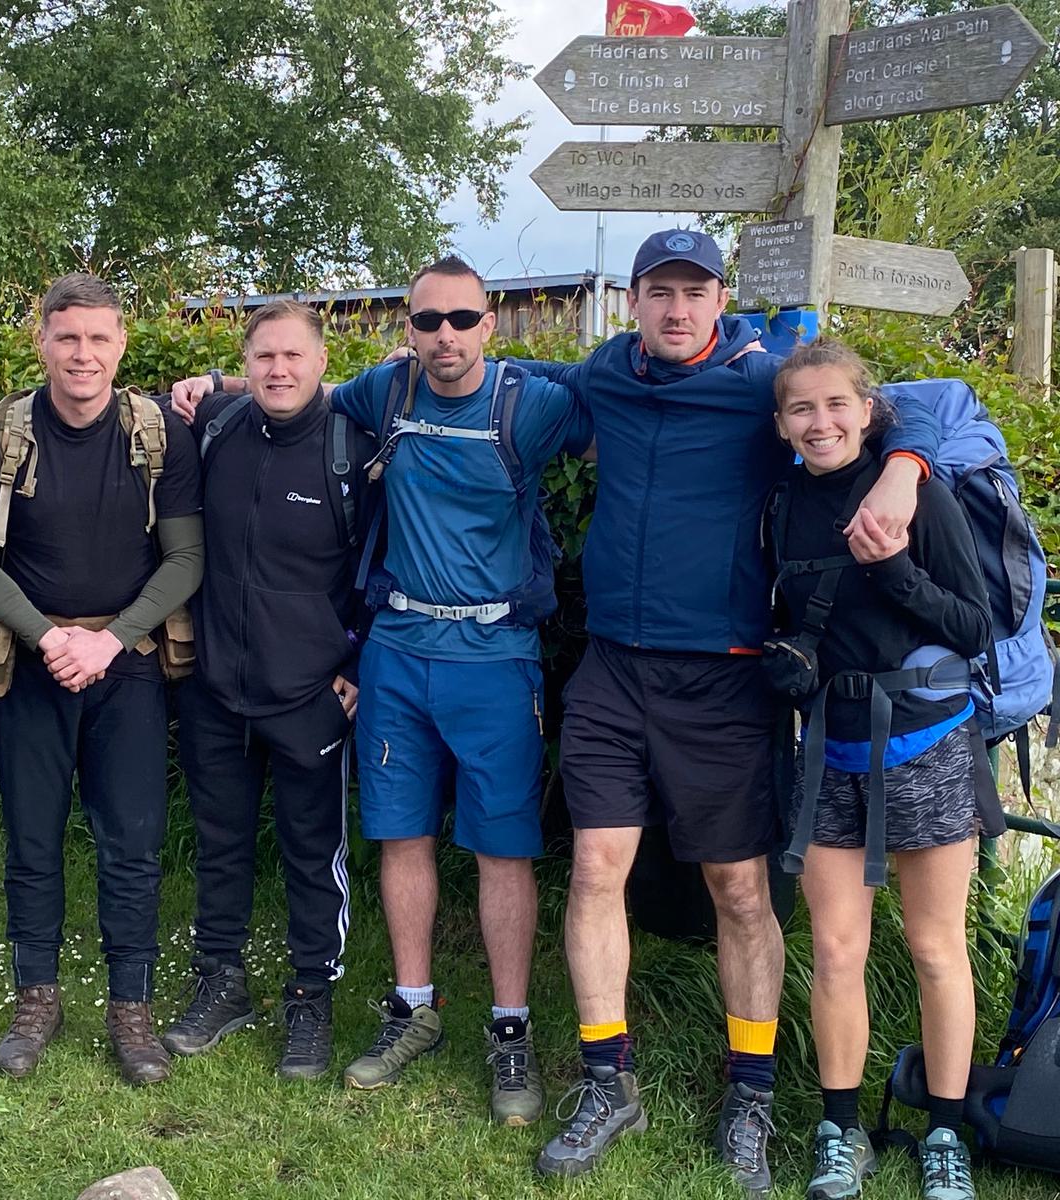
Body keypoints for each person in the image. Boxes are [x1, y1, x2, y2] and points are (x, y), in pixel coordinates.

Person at [507, 230, 941, 1194]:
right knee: (595, 867)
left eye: (693, 293)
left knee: (741, 892)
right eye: (658, 292)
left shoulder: (764, 383)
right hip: (614, 668)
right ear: (632, 302)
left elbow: (934, 407)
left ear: (719, 298)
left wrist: (904, 471)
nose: (675, 310)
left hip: (726, 676)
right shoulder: (603, 376)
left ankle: (749, 1089)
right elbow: (490, 372)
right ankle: (606, 1078)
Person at [174, 256, 591, 1125]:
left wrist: (750, 349)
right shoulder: (383, 393)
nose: (446, 336)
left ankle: (509, 1033)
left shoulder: (531, 403)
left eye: (464, 320)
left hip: (494, 651)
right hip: (397, 648)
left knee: (502, 848)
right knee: (400, 836)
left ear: (488, 322)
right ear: (406, 326)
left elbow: (628, 395)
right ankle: (412, 1010)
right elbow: (291, 384)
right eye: (428, 320)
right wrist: (212, 378)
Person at [0, 273, 203, 1086]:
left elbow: (187, 557)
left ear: (121, 345)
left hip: (126, 668)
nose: (82, 354)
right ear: (43, 343)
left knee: (132, 845)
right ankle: (37, 1000)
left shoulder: (158, 433)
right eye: (68, 338)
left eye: (98, 339)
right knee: (32, 840)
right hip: (30, 664)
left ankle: (131, 1009)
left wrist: (114, 639)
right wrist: (50, 635)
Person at [768, 340, 992, 1200]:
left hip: (927, 742)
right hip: (830, 746)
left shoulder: (918, 495)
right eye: (801, 410)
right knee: (833, 949)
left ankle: (946, 1134)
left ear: (869, 411)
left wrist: (893, 569)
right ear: (782, 424)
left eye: (835, 406)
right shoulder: (781, 503)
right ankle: (841, 1128)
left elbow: (974, 628)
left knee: (936, 949)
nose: (820, 423)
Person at [160, 300, 374, 1079]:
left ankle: (311, 999)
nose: (278, 371)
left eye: (293, 357)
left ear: (323, 364)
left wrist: (358, 666)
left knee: (312, 853)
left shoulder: (353, 447)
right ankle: (221, 983)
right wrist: (198, 384)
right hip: (217, 685)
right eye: (262, 358)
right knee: (220, 847)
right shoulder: (214, 428)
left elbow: (383, 569)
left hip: (311, 691)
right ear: (242, 365)